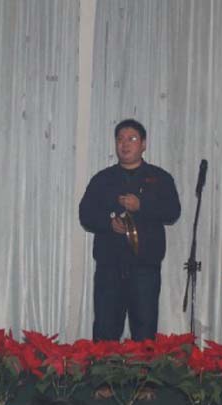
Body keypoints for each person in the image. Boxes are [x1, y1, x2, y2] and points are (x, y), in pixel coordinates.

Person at [79, 119, 181, 342]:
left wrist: (142, 205)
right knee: (105, 333)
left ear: (143, 144)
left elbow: (173, 211)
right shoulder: (102, 179)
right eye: (120, 139)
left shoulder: (160, 178)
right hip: (109, 268)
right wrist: (108, 224)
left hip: (145, 268)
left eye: (131, 139)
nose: (124, 144)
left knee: (144, 334)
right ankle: (104, 367)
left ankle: (142, 367)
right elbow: (85, 215)